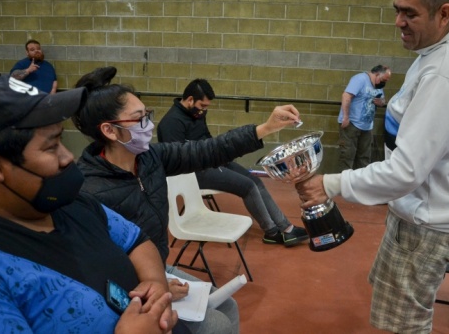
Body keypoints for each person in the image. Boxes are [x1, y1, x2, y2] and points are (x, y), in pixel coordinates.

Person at [296, 0, 449, 332]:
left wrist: (330, 184)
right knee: (394, 313)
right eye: (396, 10)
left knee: (403, 325)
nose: (399, 22)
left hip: (429, 222)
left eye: (410, 13)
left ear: (444, 13)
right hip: (421, 211)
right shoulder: (439, 53)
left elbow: (406, 171)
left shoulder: (447, 74)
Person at [73, 68, 301, 334]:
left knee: (228, 305)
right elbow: (98, 266)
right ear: (110, 130)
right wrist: (155, 284)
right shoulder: (89, 190)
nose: (149, 124)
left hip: (159, 267)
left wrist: (266, 128)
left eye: (148, 115)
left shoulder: (149, 158)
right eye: (139, 118)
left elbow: (207, 150)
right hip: (130, 284)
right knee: (216, 326)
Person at [0, 75, 182, 334]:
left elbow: (136, 240)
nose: (68, 157)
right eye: (52, 146)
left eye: (62, 142)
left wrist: (155, 282)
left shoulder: (65, 201)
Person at [157, 78, 309, 247]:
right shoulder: (169, 123)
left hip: (210, 160)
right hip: (193, 172)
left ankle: (286, 227)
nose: (204, 111)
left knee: (256, 181)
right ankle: (272, 232)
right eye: (202, 106)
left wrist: (222, 158)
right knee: (247, 187)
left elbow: (207, 139)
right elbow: (177, 162)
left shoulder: (197, 113)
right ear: (190, 100)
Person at [337, 65, 391, 171]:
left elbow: (383, 100)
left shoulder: (378, 86)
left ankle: (359, 184)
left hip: (367, 126)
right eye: (383, 80)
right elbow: (346, 96)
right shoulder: (360, 79)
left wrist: (381, 102)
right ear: (376, 74)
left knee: (364, 157)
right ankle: (343, 183)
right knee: (347, 155)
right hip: (351, 123)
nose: (384, 83)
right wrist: (346, 117)